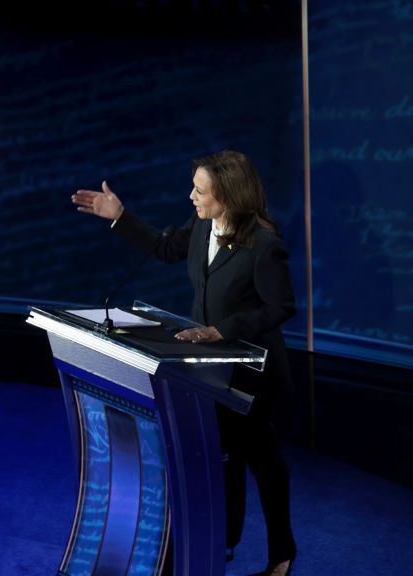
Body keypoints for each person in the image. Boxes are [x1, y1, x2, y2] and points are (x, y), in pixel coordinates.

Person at [71, 150, 297, 576]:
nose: (191, 195)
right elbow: (166, 247)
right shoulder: (201, 225)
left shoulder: (264, 245)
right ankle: (223, 544)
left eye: (200, 190)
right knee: (226, 453)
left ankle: (278, 556)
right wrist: (120, 216)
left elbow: (280, 307)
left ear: (227, 195)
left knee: (262, 462)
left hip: (252, 371)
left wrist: (221, 330)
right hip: (211, 368)